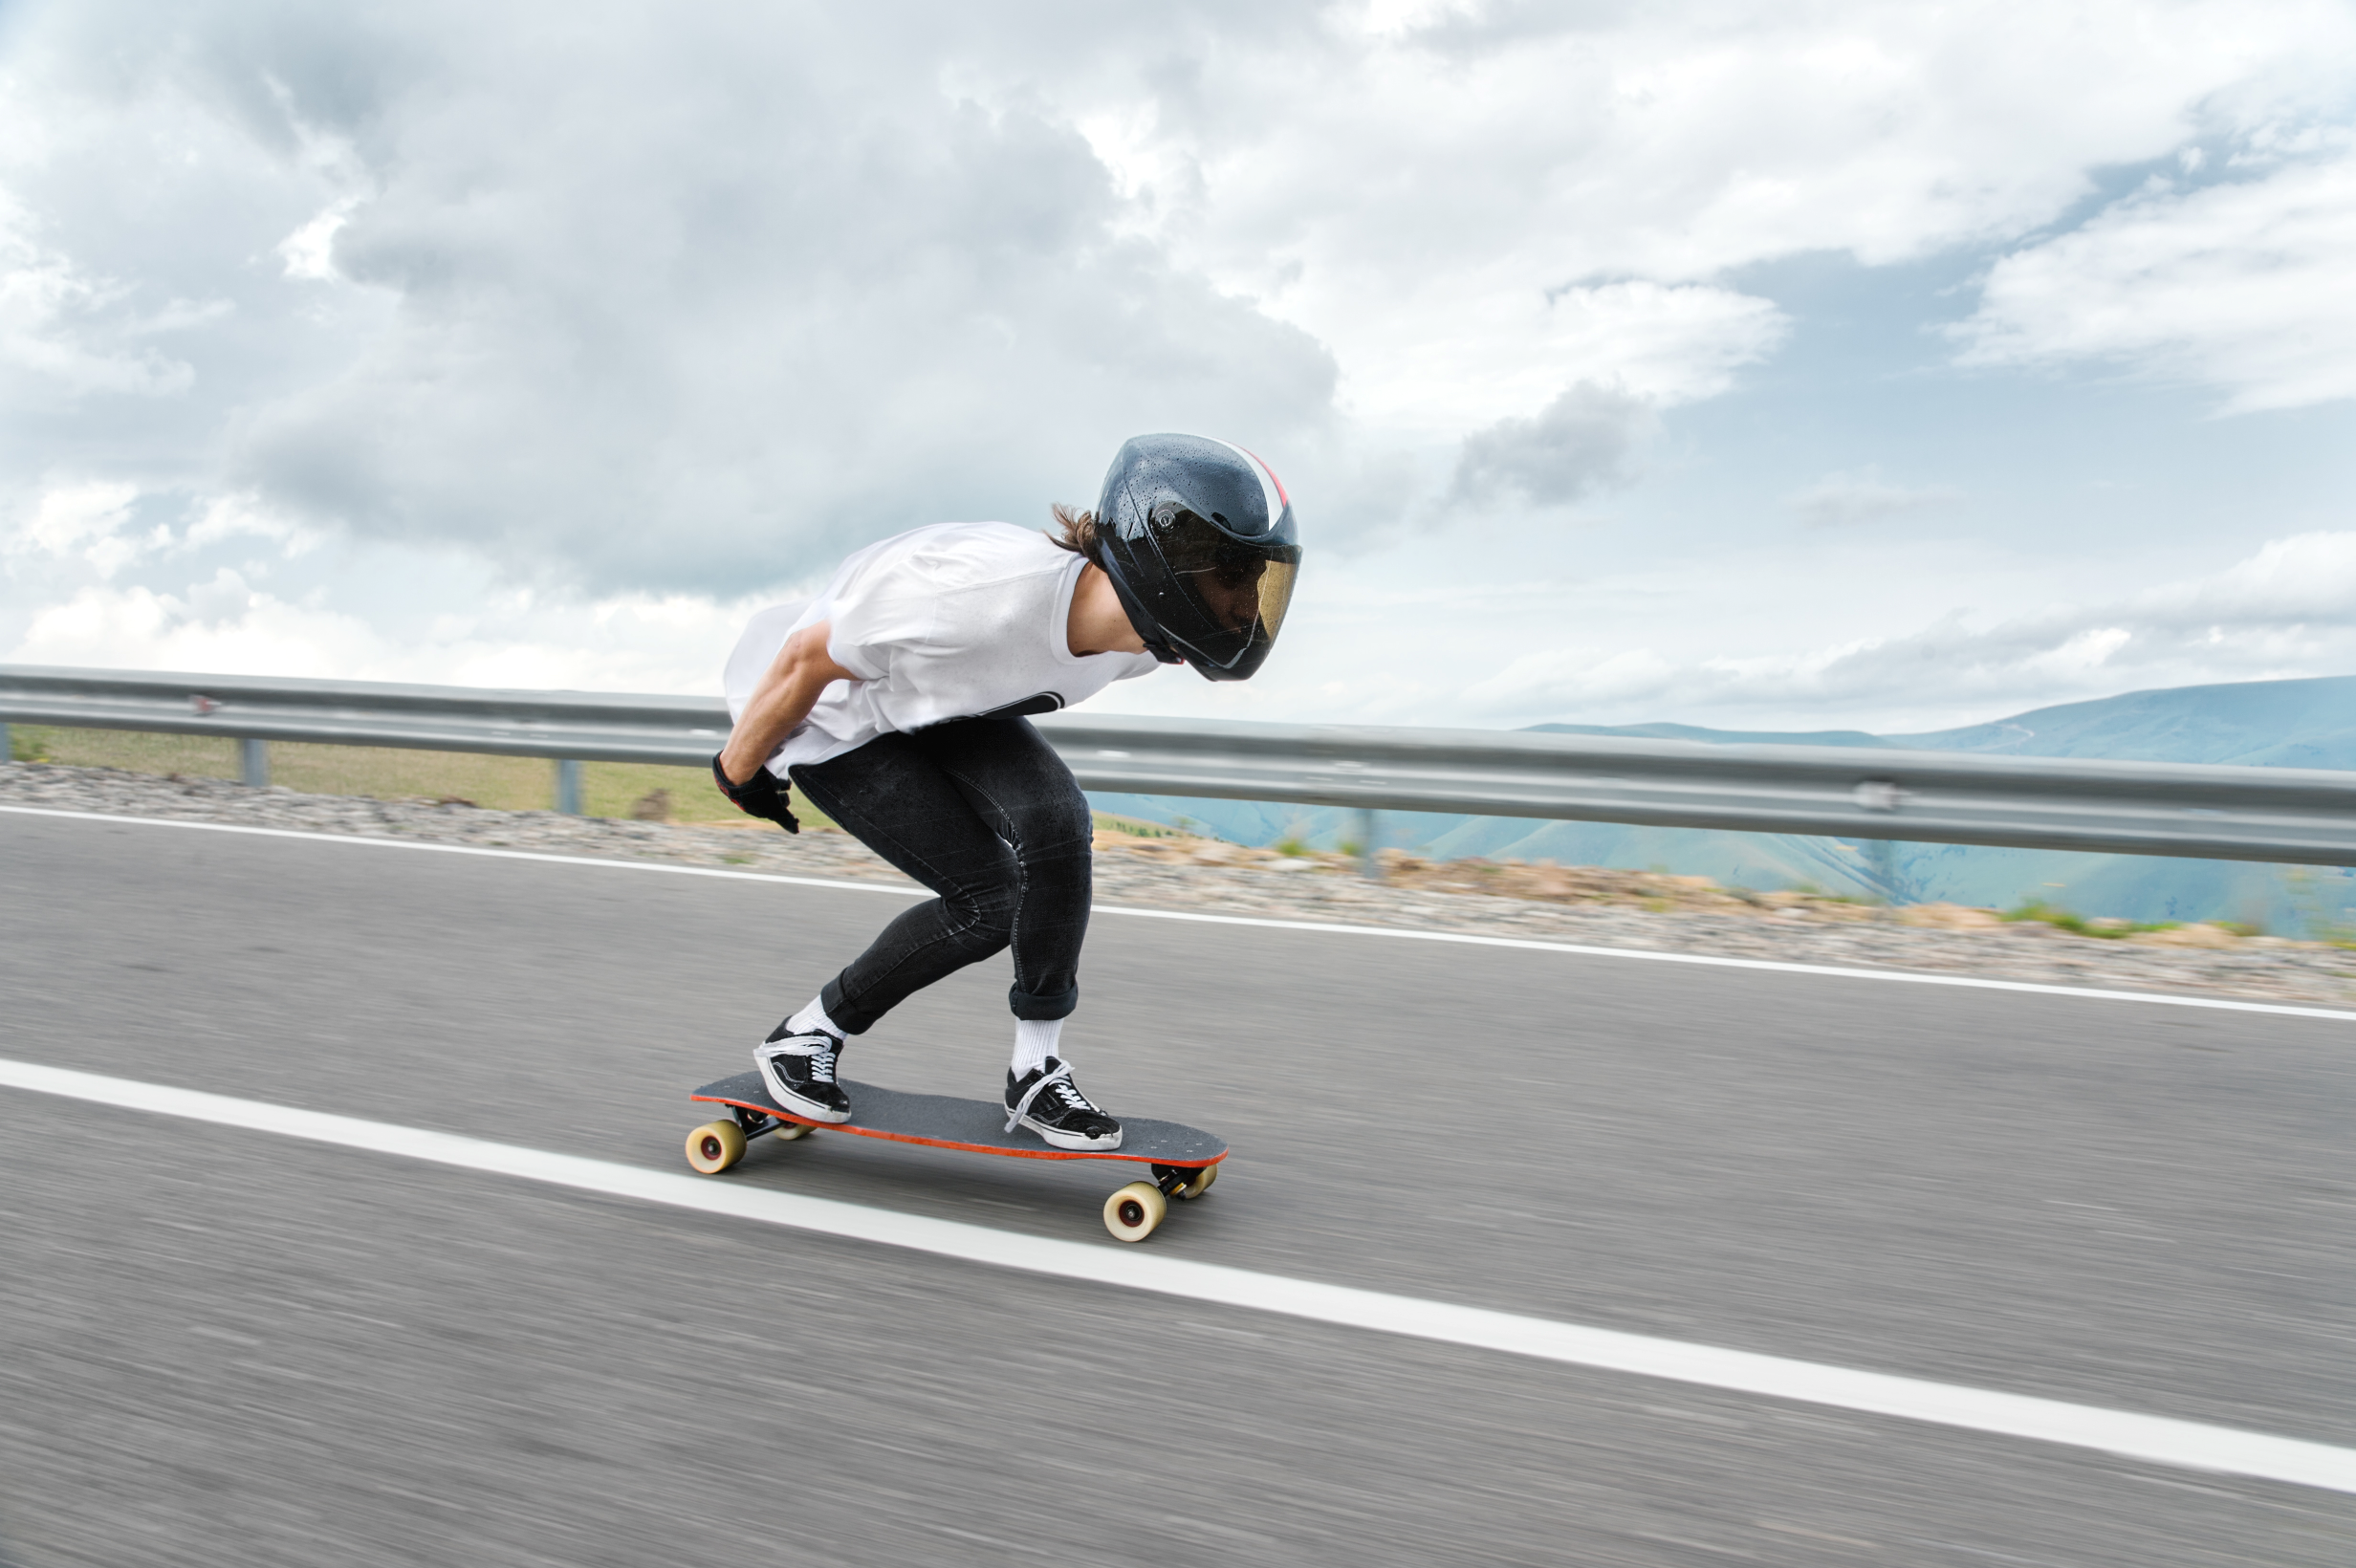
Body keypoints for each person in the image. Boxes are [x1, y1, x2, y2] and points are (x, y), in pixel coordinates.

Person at [712, 433, 1301, 1149]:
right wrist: (741, 768)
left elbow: (991, 683)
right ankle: (804, 1038)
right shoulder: (973, 596)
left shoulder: (1138, 651)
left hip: (934, 704)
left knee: (1056, 820)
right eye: (1233, 580)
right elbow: (805, 657)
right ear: (1166, 562)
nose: (1246, 609)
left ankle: (1036, 1070)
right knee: (989, 902)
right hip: (836, 715)